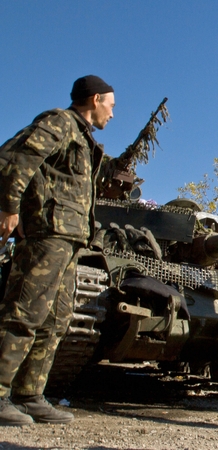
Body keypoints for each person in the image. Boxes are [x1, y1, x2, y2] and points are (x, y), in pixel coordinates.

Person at [0, 75, 115, 426]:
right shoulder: (60, 123)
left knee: (56, 319)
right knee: (24, 313)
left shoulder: (84, 138)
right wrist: (9, 208)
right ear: (95, 99)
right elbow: (19, 157)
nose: (113, 114)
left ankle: (30, 394)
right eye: (111, 105)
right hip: (47, 234)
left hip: (70, 239)